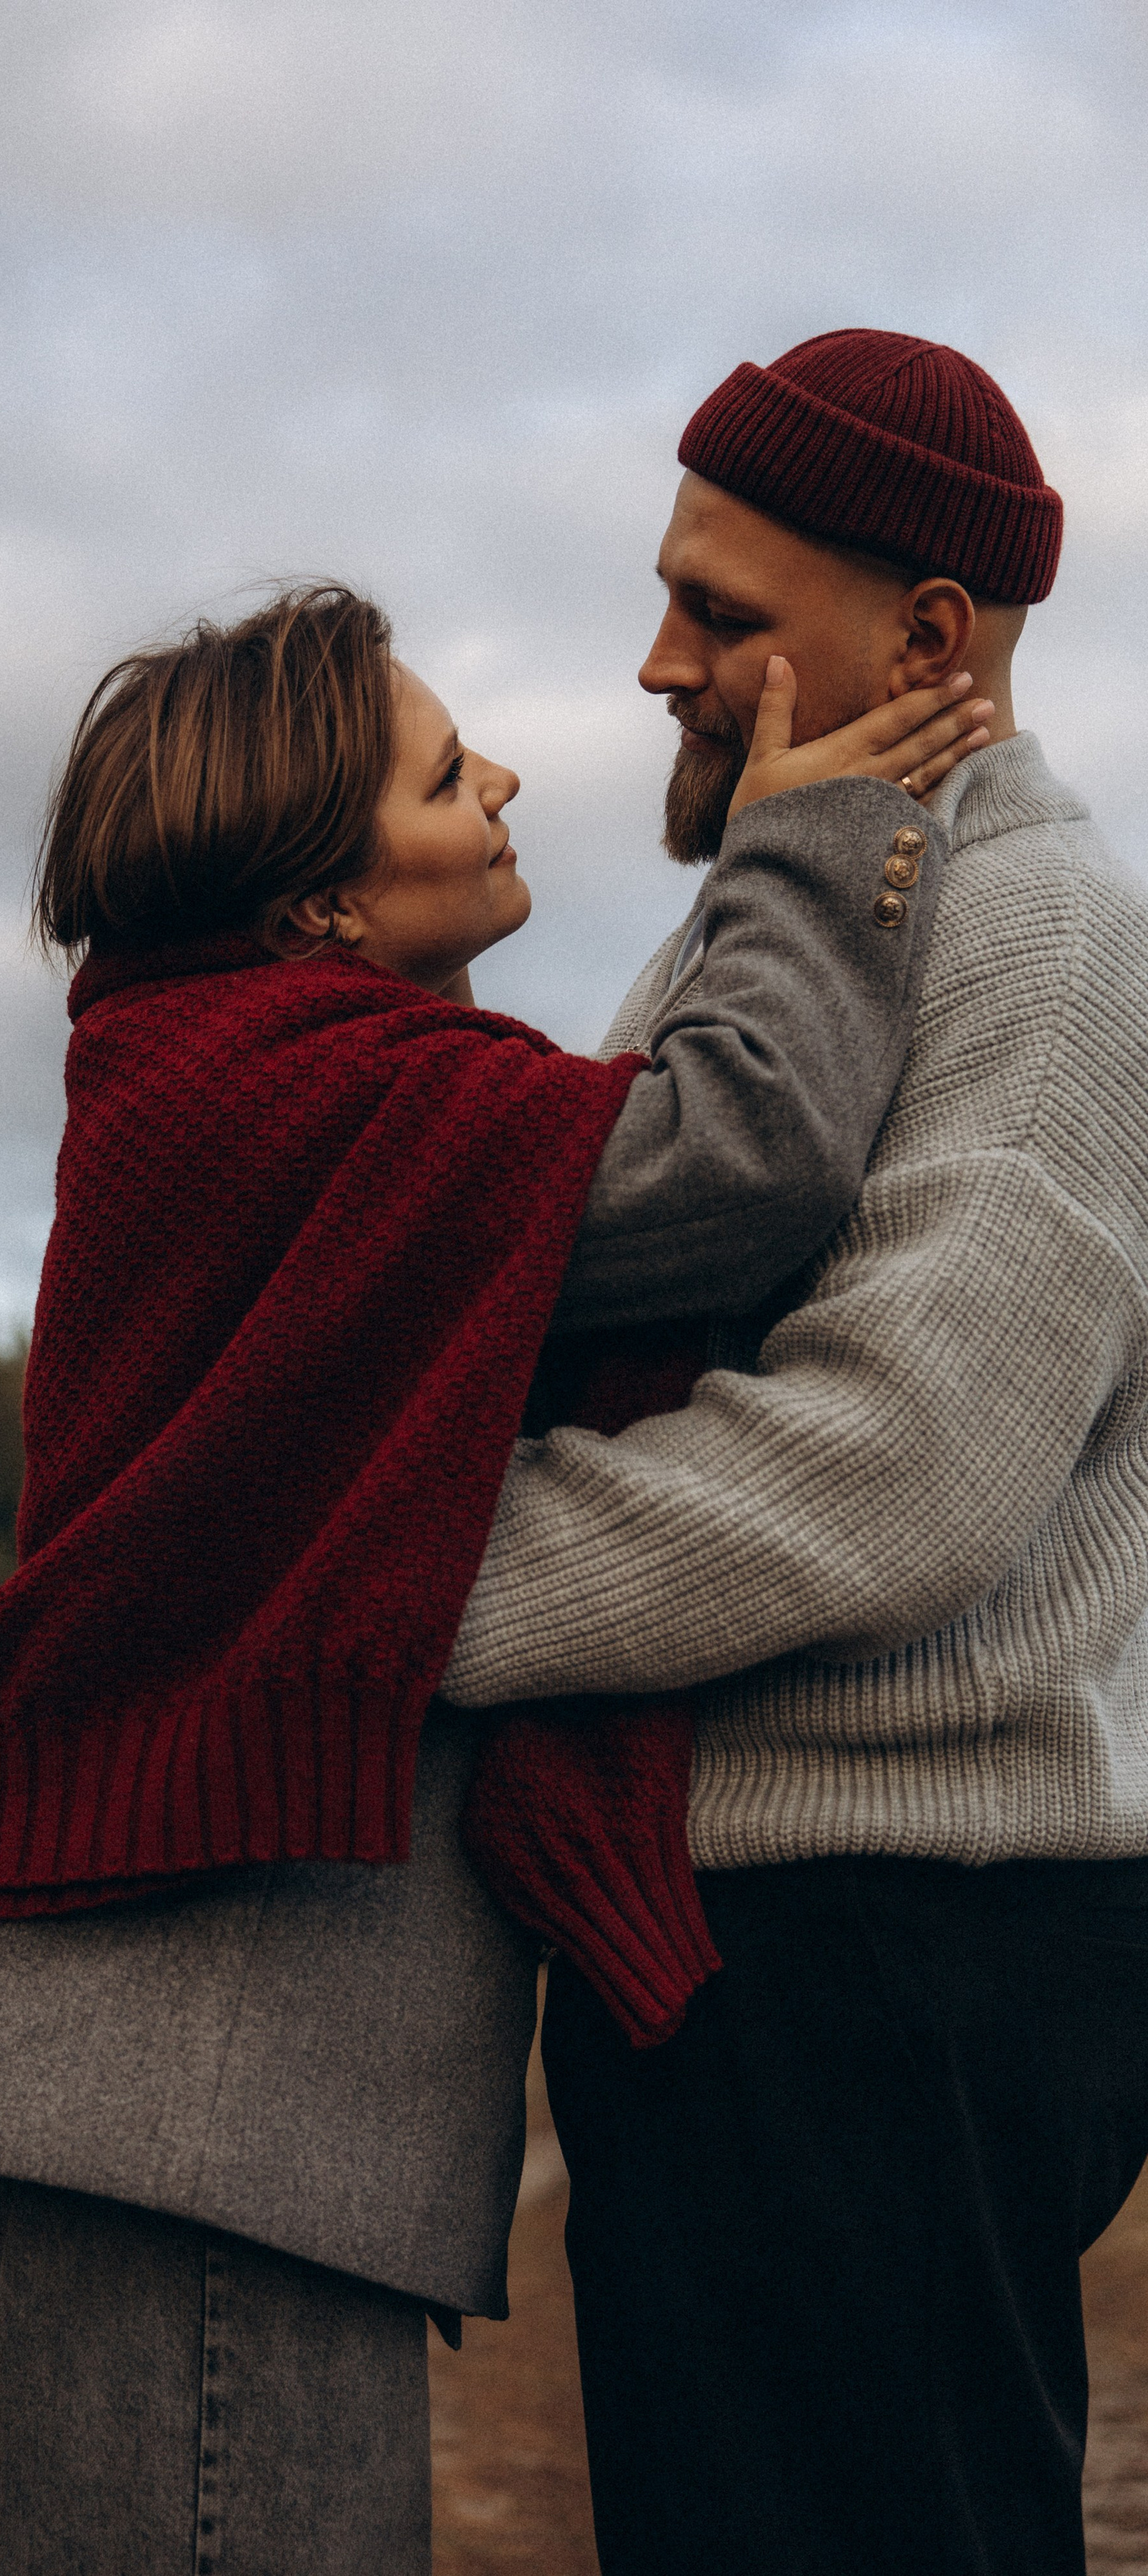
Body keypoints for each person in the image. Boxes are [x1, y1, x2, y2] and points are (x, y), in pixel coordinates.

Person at [0, 580, 985, 2576]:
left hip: (186, 2085)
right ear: (320, 896)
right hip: (196, 2098)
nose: (504, 781)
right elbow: (738, 1155)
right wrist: (808, 840)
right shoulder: (293, 1100)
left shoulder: (277, 1087)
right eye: (440, 771)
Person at [445, 329, 1148, 2576]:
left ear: (929, 638)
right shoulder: (813, 906)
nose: (659, 662)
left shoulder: (1039, 940)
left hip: (900, 1944)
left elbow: (899, 1468)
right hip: (746, 1939)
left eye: (720, 613)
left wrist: (396, 1586)